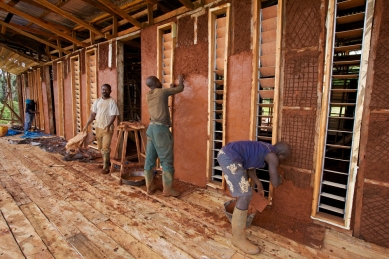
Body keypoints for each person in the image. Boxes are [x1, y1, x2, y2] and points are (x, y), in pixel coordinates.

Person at [217, 140, 291, 255]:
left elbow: (250, 167)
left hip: (226, 155)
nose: (282, 161)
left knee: (245, 192)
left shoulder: (263, 148)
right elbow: (275, 182)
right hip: (230, 158)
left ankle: (239, 227)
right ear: (280, 154)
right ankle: (238, 238)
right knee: (245, 195)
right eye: (283, 159)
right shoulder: (273, 156)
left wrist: (258, 183)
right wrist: (280, 178)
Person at [144, 74, 184, 197]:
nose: (160, 82)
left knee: (150, 159)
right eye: (158, 81)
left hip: (151, 129)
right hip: (161, 130)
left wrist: (170, 88)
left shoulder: (149, 95)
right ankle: (168, 190)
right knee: (166, 160)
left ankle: (149, 187)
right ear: (156, 83)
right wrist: (181, 81)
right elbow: (180, 89)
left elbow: (166, 94)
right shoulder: (161, 92)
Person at [83, 84, 119, 174]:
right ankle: (106, 162)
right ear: (101, 90)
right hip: (98, 127)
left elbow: (113, 115)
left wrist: (108, 124)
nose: (104, 91)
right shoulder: (97, 101)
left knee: (105, 147)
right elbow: (92, 114)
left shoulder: (112, 102)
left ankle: (106, 167)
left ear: (110, 91)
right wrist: (87, 124)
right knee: (100, 147)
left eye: (106, 90)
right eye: (103, 89)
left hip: (107, 128)